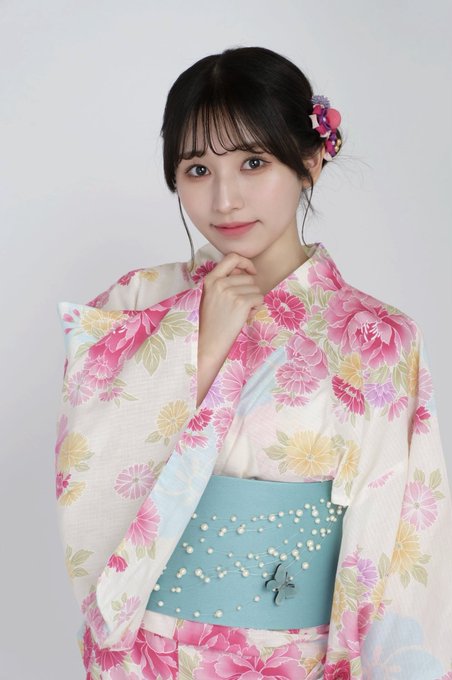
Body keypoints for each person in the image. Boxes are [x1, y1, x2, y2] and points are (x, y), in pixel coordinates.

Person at [55, 46, 452, 679]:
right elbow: (88, 465)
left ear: (311, 161)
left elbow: (402, 539)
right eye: (197, 169)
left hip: (294, 659)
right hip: (149, 651)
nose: (226, 199)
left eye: (253, 162)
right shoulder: (137, 302)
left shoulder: (379, 337)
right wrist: (201, 345)